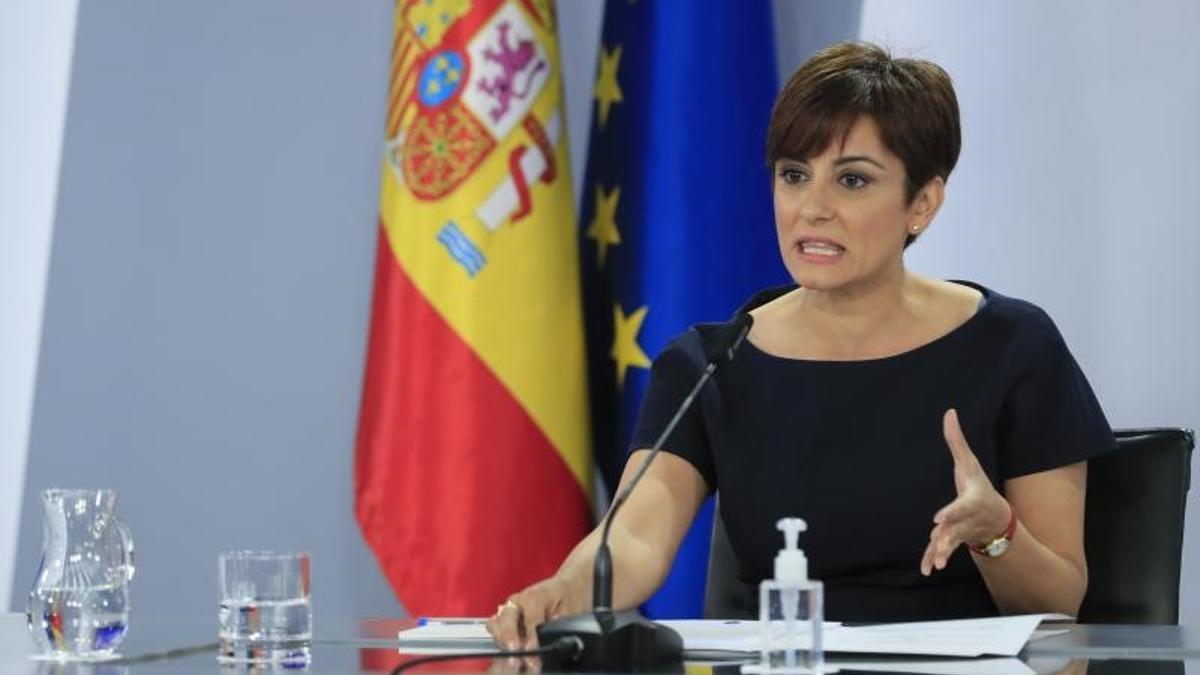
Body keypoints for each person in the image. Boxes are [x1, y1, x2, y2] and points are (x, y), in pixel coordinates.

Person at [487, 41, 1115, 651]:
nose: (812, 208)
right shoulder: (712, 363)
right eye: (794, 175)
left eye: (852, 180)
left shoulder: (1012, 347)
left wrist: (994, 531)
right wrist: (565, 589)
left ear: (922, 202)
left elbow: (1060, 598)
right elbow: (635, 539)